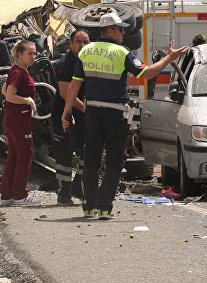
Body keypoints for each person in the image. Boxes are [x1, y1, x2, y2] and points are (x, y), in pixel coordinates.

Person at [61, 12, 187, 219]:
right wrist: (169, 58)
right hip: (115, 113)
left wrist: (67, 111)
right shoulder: (121, 52)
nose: (124, 32)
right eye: (120, 29)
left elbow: (75, 84)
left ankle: (88, 206)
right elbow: (147, 73)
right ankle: (104, 207)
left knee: (91, 160)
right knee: (114, 161)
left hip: (91, 112)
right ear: (109, 31)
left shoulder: (86, 51)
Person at [0, 40, 41, 206]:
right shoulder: (19, 73)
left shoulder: (16, 71)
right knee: (24, 156)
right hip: (19, 119)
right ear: (19, 54)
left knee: (14, 157)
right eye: (30, 53)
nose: (33, 56)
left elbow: (4, 90)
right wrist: (28, 100)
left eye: (35, 53)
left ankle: (7, 195)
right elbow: (9, 96)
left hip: (13, 118)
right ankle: (20, 195)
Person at [52, 29, 90, 205]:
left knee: (88, 151)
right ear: (71, 44)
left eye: (86, 42)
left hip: (83, 115)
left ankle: (77, 187)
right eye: (78, 42)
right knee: (65, 155)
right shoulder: (65, 63)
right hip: (66, 114)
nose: (82, 46)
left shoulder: (88, 62)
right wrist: (87, 110)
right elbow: (66, 93)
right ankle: (63, 194)